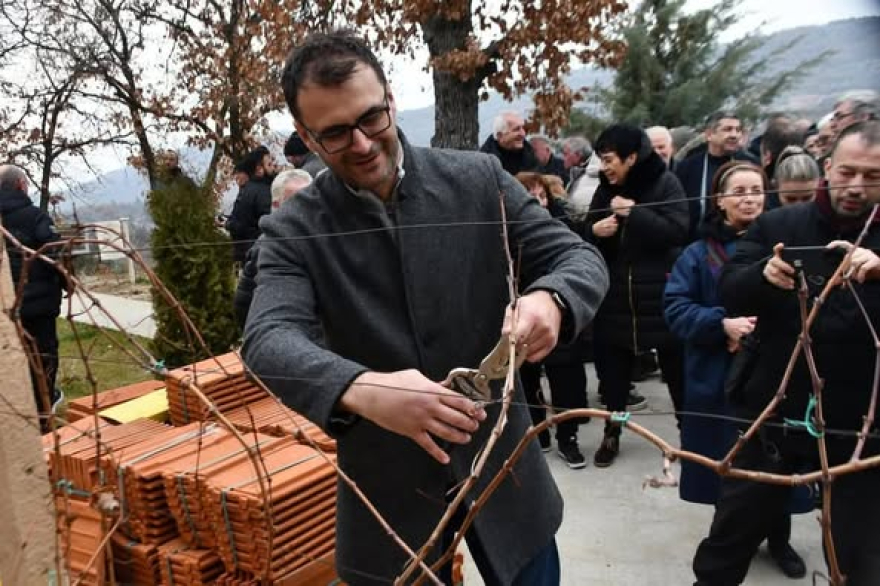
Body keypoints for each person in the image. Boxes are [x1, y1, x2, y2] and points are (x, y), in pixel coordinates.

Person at [243, 30, 609, 585]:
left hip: (506, 474)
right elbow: (267, 338)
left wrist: (553, 298)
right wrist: (363, 389)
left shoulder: (478, 180)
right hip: (389, 497)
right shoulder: (293, 228)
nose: (362, 144)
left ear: (390, 100)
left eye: (372, 118)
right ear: (305, 134)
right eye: (336, 134)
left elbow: (576, 256)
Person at [691, 120, 880, 585]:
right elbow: (730, 288)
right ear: (827, 167)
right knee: (733, 531)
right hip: (774, 406)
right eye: (847, 172)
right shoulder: (780, 224)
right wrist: (763, 275)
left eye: (872, 176)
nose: (856, 186)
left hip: (862, 421)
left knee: (862, 552)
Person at [664, 161, 807, 581]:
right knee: (728, 468)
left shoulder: (786, 247)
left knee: (778, 462)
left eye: (756, 190)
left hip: (776, 378)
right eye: (739, 192)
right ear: (719, 200)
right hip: (718, 381)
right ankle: (730, 541)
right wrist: (720, 324)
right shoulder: (696, 254)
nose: (749, 199)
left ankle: (779, 539)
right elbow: (675, 307)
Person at [584, 124, 689, 467]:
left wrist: (636, 213)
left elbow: (678, 231)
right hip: (615, 297)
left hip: (660, 295)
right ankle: (612, 432)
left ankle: (688, 436)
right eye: (601, 160)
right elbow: (587, 231)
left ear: (631, 158)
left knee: (677, 373)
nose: (605, 167)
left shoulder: (665, 183)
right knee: (613, 377)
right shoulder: (605, 188)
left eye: (609, 160)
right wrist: (594, 230)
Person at [515, 171, 591, 468]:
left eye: (542, 195)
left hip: (559, 316)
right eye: (530, 196)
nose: (538, 202)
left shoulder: (563, 228)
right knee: (528, 378)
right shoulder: (508, 232)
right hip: (521, 316)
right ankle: (538, 434)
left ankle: (567, 438)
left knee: (565, 380)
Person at [0, 164, 65, 429]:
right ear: (20, 186)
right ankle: (44, 410)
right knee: (44, 356)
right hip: (40, 307)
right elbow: (55, 255)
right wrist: (67, 283)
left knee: (17, 358)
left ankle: (24, 413)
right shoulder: (35, 217)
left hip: (8, 308)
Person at [234, 169, 313, 329]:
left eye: (311, 201)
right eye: (298, 203)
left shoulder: (324, 239)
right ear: (277, 205)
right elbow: (244, 305)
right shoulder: (266, 248)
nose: (306, 210)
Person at [675, 111, 758, 238]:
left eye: (738, 130)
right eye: (727, 129)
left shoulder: (751, 164)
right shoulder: (688, 167)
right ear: (709, 134)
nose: (734, 135)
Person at [225, 146, 277, 263]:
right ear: (259, 169)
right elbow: (268, 225)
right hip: (261, 253)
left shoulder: (246, 190)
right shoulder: (263, 192)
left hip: (247, 253)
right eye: (269, 164)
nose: (273, 167)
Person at [480, 111, 539, 176]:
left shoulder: (528, 151)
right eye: (516, 129)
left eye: (523, 128)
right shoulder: (485, 163)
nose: (523, 134)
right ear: (500, 136)